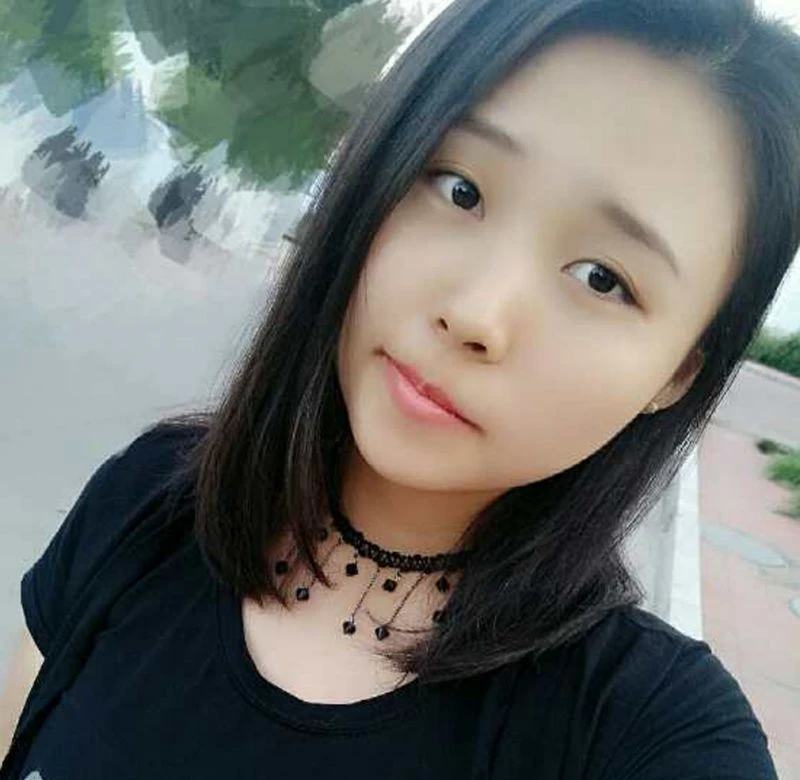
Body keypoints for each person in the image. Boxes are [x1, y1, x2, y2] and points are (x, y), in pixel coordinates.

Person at [3, 0, 800, 776]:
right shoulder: (152, 501)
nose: (476, 313)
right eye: (460, 190)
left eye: (601, 278)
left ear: (678, 372)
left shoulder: (642, 728)